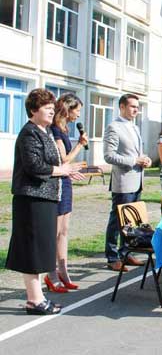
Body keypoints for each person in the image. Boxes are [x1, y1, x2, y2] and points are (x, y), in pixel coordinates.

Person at [5, 88, 83, 315]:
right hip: (32, 199)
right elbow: (34, 166)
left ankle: (36, 299)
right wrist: (62, 170)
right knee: (33, 250)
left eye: (52, 108)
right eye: (47, 108)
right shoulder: (29, 132)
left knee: (40, 249)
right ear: (33, 110)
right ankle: (35, 300)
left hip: (46, 198)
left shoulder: (45, 131)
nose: (52, 112)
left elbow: (53, 164)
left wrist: (66, 172)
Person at [44, 94, 88, 293]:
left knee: (64, 231)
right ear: (67, 109)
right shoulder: (54, 130)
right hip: (56, 184)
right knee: (54, 232)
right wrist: (80, 144)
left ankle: (63, 271)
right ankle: (50, 273)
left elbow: (66, 165)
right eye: (77, 110)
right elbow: (64, 159)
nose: (78, 114)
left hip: (66, 182)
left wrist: (72, 172)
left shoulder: (63, 129)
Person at [103, 94, 152, 272]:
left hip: (137, 180)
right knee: (117, 220)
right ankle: (112, 256)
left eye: (137, 107)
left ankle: (125, 252)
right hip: (123, 182)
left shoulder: (135, 128)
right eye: (132, 106)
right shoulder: (113, 127)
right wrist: (134, 160)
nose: (136, 110)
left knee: (130, 221)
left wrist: (146, 160)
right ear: (122, 107)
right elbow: (109, 156)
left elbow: (138, 152)